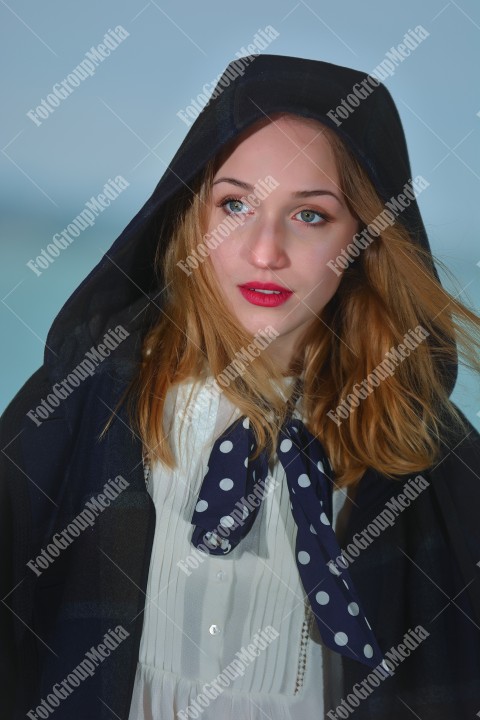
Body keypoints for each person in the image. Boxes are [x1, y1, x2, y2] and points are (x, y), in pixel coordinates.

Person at [1, 54, 479, 720]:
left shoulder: (421, 448)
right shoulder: (87, 399)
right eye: (235, 204)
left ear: (366, 238)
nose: (264, 251)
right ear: (193, 216)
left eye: (310, 215)